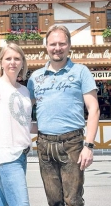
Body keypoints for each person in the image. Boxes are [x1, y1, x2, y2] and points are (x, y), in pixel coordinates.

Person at [27, 24, 100, 206]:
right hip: (44, 143)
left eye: (62, 44)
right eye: (53, 44)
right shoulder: (35, 77)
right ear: (46, 46)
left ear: (69, 46)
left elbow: (94, 109)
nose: (57, 48)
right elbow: (23, 110)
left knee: (73, 200)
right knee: (54, 200)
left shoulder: (81, 71)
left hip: (72, 143)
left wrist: (88, 146)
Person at [0, 43, 32, 206]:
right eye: (8, 58)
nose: (12, 62)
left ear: (22, 62)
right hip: (6, 155)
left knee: (5, 203)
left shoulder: (24, 90)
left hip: (22, 154)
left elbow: (25, 122)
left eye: (17, 58)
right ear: (1, 62)